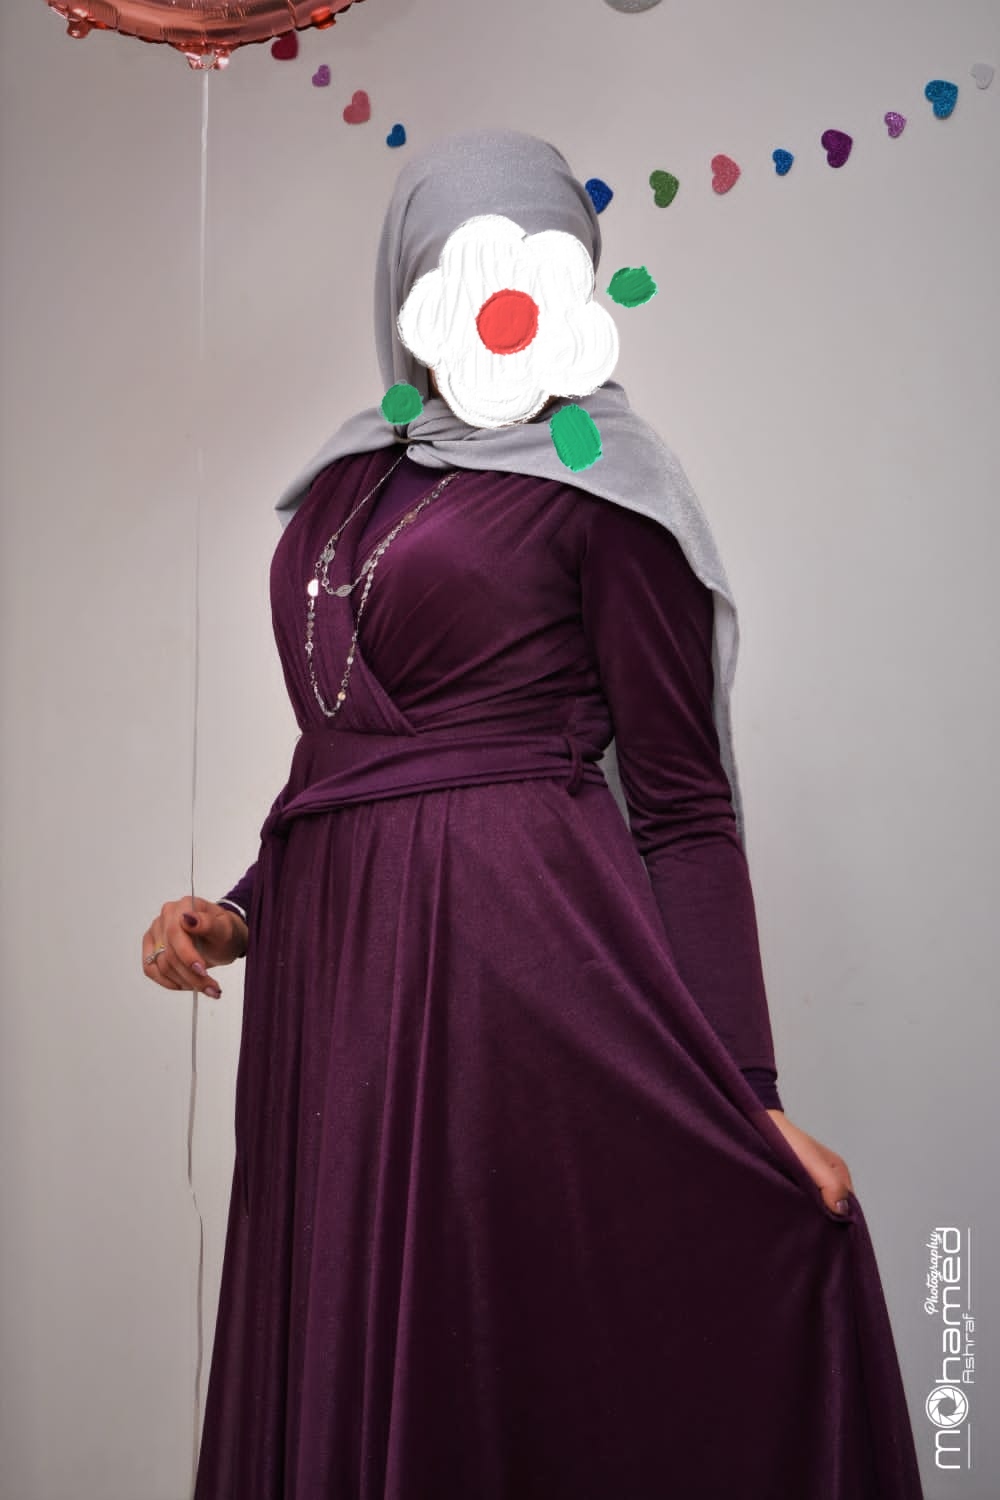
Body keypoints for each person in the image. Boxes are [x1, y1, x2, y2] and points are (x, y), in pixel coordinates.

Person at [142, 128, 924, 1500]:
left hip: (508, 983)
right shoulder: (347, 477)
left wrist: (749, 1096)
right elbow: (343, 753)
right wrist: (242, 912)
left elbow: (683, 806)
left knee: (486, 1350)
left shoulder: (605, 482)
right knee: (349, 1337)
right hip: (334, 999)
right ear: (408, 283)